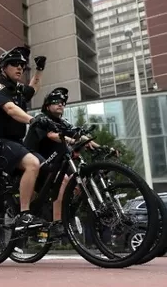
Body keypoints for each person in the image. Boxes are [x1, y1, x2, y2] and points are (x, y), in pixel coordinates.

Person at [0, 45, 47, 230]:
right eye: (14, 64)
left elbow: (34, 89)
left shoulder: (17, 88)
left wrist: (39, 69)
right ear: (3, 68)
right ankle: (24, 214)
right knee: (32, 163)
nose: (20, 68)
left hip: (14, 143)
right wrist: (33, 120)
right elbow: (10, 109)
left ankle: (21, 205)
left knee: (46, 166)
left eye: (22, 65)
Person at [23, 87, 110, 237]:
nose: (61, 104)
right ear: (47, 105)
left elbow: (79, 136)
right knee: (62, 180)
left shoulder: (62, 122)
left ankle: (67, 214)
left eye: (63, 102)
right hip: (35, 157)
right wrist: (71, 141)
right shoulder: (42, 118)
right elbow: (52, 135)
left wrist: (100, 147)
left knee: (79, 181)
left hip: (54, 159)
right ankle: (57, 223)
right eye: (56, 102)